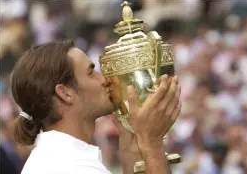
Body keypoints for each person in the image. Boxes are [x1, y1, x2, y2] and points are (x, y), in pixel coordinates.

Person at [10, 39, 181, 174]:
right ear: (65, 93)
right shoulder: (71, 167)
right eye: (91, 72)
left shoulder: (58, 158)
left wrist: (132, 139)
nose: (104, 79)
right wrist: (152, 144)